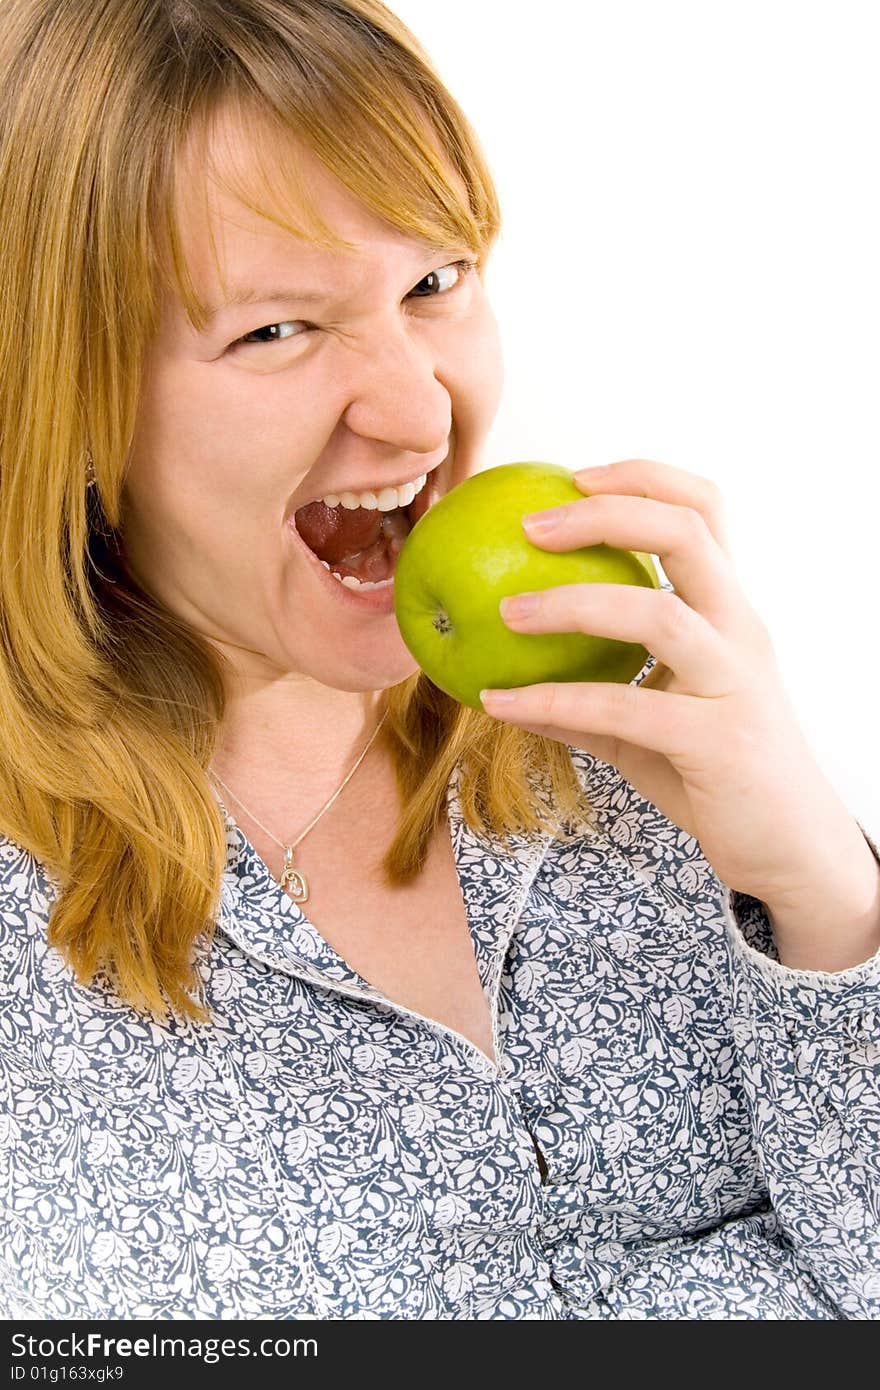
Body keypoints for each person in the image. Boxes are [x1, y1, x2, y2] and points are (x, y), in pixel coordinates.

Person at [0, 0, 877, 1323]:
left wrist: (827, 900)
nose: (419, 408)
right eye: (275, 331)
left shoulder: (657, 739)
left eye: (434, 282)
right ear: (68, 398)